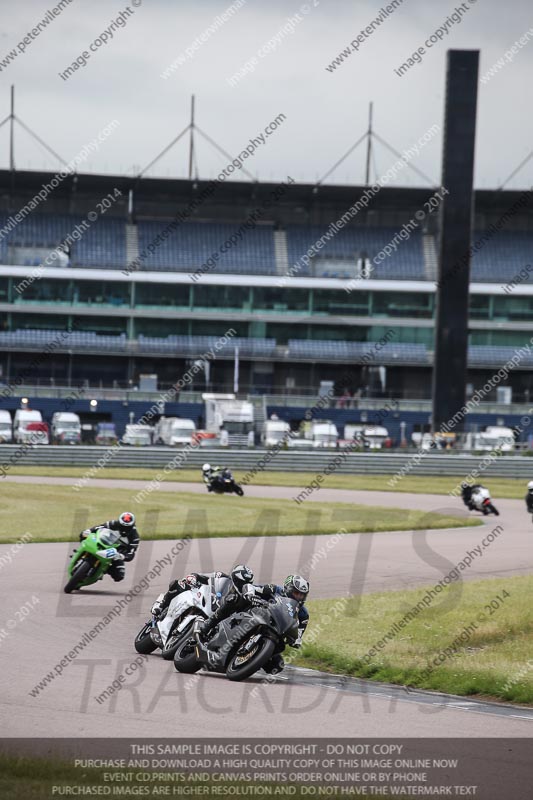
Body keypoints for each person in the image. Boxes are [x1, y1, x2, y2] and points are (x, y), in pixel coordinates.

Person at [198, 567, 310, 675]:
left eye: (302, 595)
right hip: (254, 614)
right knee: (234, 600)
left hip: (274, 630)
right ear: (288, 589)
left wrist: (296, 640)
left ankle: (249, 660)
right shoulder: (275, 590)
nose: (299, 597)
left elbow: (299, 632)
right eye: (296, 593)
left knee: (277, 665)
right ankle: (208, 625)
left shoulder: (303, 614)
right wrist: (250, 595)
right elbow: (252, 587)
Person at [80, 512, 139, 582]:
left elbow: (131, 553)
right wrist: (89, 530)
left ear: (132, 526)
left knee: (119, 576)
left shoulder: (135, 537)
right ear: (119, 522)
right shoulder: (114, 523)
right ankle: (80, 552)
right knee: (83, 535)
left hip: (115, 554)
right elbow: (99, 527)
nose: (124, 529)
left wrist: (122, 556)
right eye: (122, 526)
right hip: (103, 542)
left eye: (127, 527)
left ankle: (104, 570)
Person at [150, 571, 227, 620]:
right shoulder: (223, 577)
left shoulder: (235, 601)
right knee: (178, 584)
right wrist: (194, 577)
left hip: (211, 612)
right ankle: (161, 605)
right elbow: (204, 575)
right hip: (199, 594)